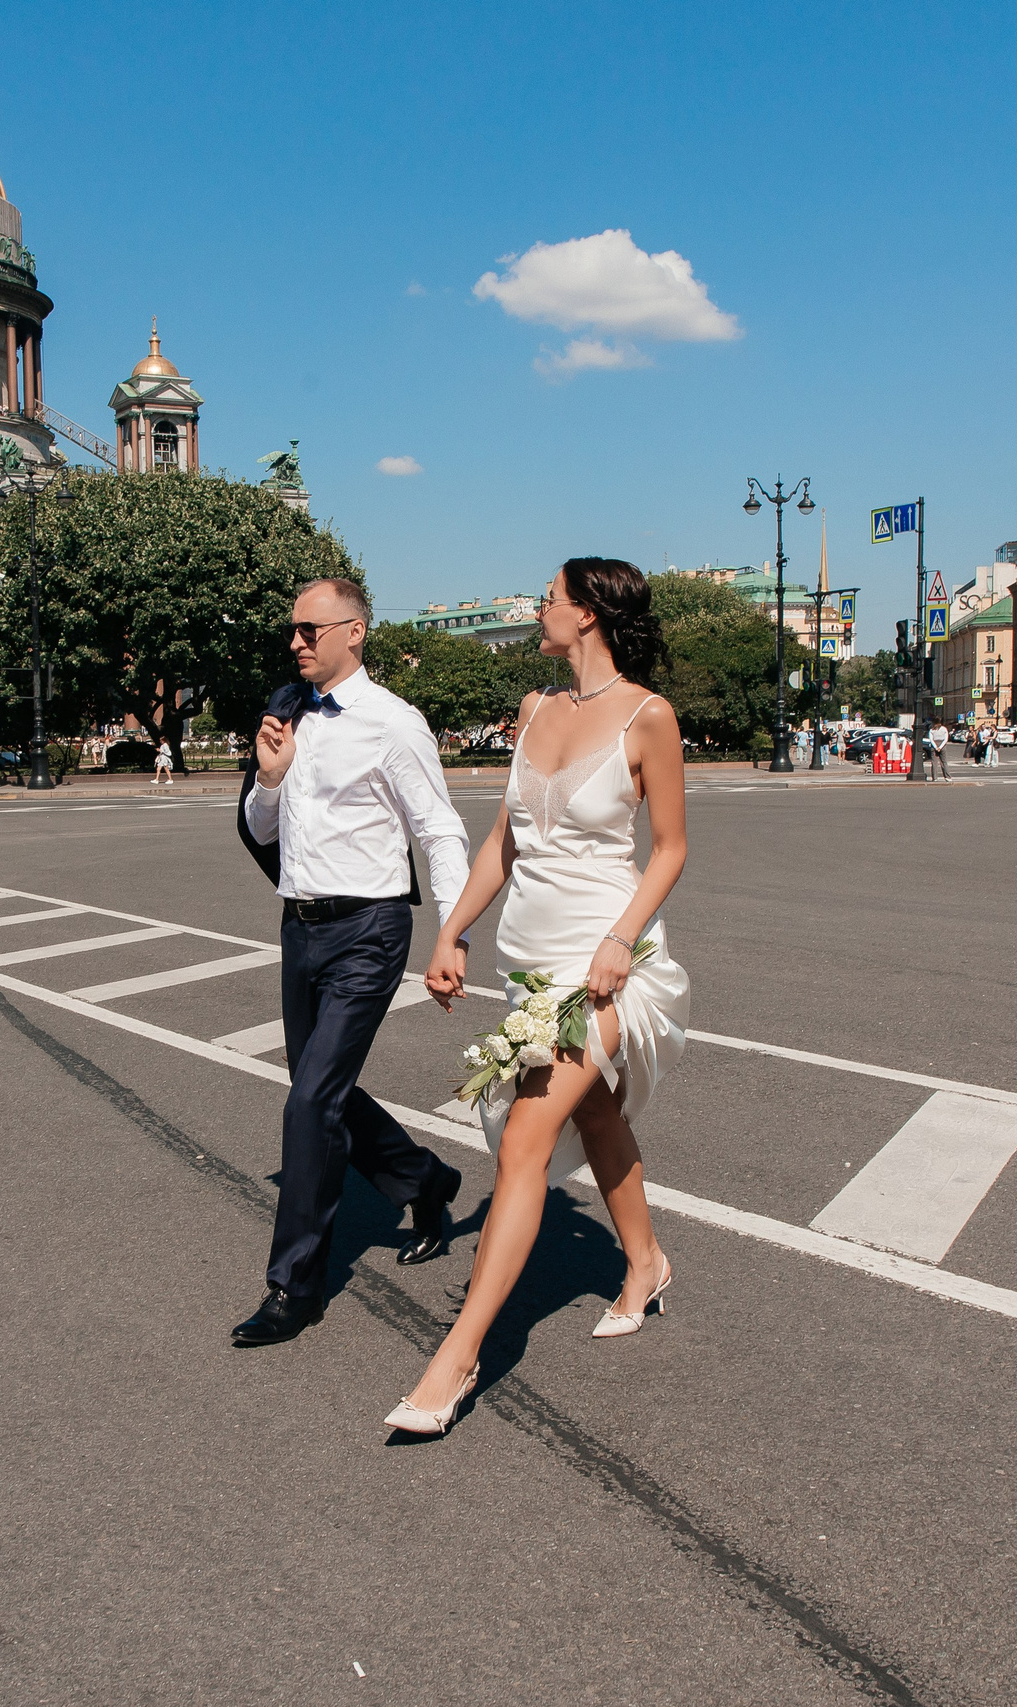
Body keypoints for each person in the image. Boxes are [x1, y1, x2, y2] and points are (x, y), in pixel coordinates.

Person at [393, 557, 692, 1437]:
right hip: (532, 962)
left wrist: (618, 940)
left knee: (526, 1134)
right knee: (594, 1115)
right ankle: (645, 1262)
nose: (539, 609)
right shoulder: (535, 711)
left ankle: (457, 1357)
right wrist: (451, 931)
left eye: (551, 599)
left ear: (590, 613)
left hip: (605, 964)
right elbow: (504, 843)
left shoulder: (649, 717)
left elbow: (671, 848)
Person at [231, 577, 474, 1352]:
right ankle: (425, 1181)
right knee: (319, 1091)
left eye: (310, 629)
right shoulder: (287, 713)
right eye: (292, 631)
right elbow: (260, 828)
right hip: (300, 928)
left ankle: (293, 1286)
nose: (296, 642)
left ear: (355, 631)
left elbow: (439, 829)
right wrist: (269, 776)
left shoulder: (393, 723)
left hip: (369, 931)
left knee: (308, 1104)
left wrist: (452, 933)